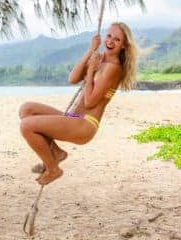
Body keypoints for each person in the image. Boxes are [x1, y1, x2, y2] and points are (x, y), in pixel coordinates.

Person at [19, 22, 138, 185]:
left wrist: (90, 71)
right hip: (73, 117)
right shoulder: (100, 59)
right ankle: (56, 153)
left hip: (84, 124)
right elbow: (73, 78)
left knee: (26, 126)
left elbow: (89, 102)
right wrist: (91, 51)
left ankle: (53, 169)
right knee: (27, 109)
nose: (110, 41)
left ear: (124, 45)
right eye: (109, 36)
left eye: (117, 40)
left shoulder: (113, 69)